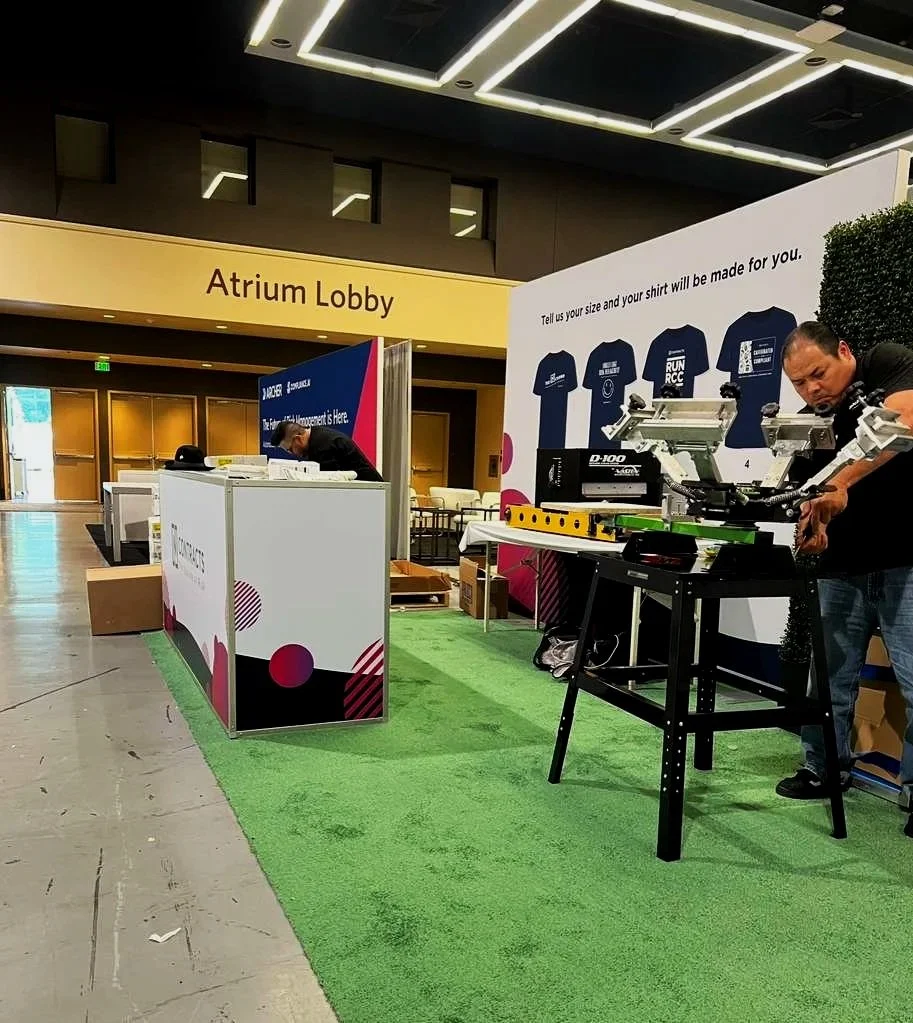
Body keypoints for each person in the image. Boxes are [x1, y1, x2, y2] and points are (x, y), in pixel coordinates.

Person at [774, 321, 913, 838]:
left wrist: (838, 482)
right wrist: (811, 519)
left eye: (818, 374)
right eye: (800, 385)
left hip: (907, 560)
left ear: (846, 353)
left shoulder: (888, 362)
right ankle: (822, 769)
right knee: (827, 680)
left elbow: (904, 423)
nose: (813, 390)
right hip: (842, 568)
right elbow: (809, 491)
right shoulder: (813, 423)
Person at [270, 420, 382, 481]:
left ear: (298, 439)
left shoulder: (323, 447)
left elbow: (327, 485)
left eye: (290, 449)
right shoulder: (316, 436)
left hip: (372, 494)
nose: (292, 453)